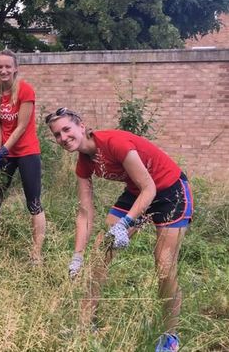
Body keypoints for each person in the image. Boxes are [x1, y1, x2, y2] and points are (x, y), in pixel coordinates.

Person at [46, 107, 193, 351]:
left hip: (170, 190)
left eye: (66, 129)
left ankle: (170, 336)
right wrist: (77, 255)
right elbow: (85, 212)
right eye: (57, 134)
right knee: (99, 253)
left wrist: (125, 224)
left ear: (81, 126)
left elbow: (150, 188)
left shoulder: (114, 143)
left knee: (164, 265)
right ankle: (85, 326)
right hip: (138, 193)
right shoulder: (84, 164)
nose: (63, 138)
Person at [0, 49, 47, 264]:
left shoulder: (25, 91)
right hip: (5, 151)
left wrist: (3, 150)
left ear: (16, 68)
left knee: (33, 202)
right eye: (0, 67)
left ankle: (36, 254)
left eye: (8, 66)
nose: (4, 70)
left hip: (27, 152)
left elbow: (21, 126)